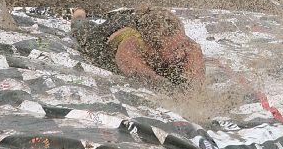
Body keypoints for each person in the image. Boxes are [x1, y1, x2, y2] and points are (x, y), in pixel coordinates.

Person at [71, 7, 205, 91]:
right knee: (81, 30)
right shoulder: (130, 45)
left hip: (142, 24)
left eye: (181, 45)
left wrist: (191, 81)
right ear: (151, 48)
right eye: (174, 50)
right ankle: (78, 15)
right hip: (108, 34)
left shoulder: (185, 43)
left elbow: (196, 79)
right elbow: (147, 77)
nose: (181, 52)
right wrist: (173, 89)